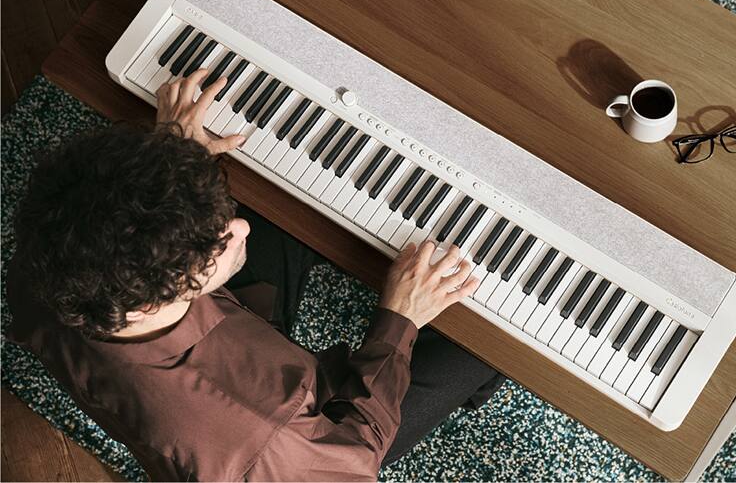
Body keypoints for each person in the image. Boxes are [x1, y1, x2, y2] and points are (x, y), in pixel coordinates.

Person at [6, 69, 506, 481]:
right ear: (163, 293)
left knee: (293, 191)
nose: (239, 226)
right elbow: (356, 456)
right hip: (327, 443)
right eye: (212, 248)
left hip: (233, 337)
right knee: (492, 339)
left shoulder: (44, 262)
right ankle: (479, 387)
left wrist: (171, 156)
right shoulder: (264, 443)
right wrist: (401, 317)